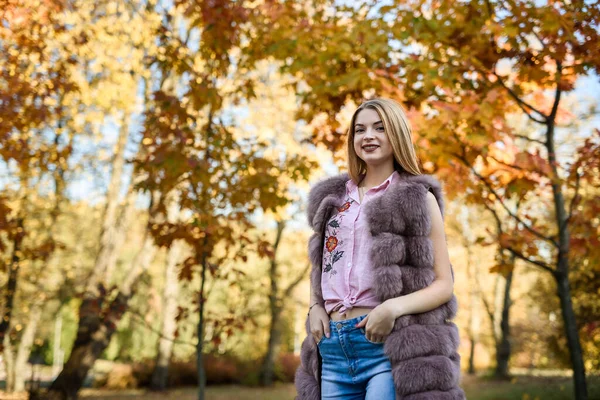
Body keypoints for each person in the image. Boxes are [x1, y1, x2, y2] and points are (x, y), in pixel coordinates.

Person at [300, 98, 462, 399]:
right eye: (360, 130)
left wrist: (392, 308)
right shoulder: (332, 199)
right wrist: (314, 307)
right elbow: (321, 267)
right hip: (332, 349)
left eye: (379, 128)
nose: (368, 136)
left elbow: (444, 284)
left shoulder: (417, 198)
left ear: (396, 134)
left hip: (386, 347)